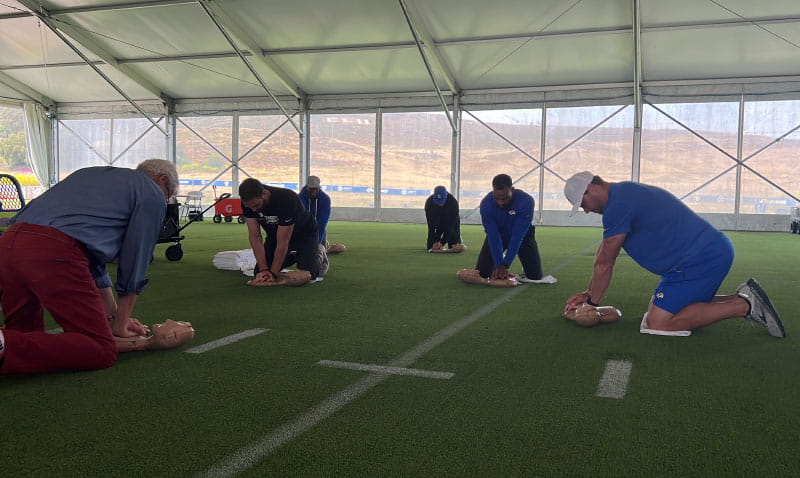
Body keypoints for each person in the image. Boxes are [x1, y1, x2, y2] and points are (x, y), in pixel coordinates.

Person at [0, 159, 179, 374]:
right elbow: (136, 258)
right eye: (167, 196)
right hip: (53, 250)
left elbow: (93, 262)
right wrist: (126, 329)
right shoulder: (151, 191)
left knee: (24, 336)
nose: (164, 202)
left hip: (8, 244)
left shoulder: (90, 174)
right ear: (163, 180)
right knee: (100, 349)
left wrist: (113, 315)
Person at [562, 171, 785, 337]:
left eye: (583, 203)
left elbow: (605, 263)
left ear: (592, 187)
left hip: (700, 259)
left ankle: (745, 306)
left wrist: (592, 302)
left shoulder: (618, 204)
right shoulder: (623, 194)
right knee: (661, 310)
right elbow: (603, 251)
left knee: (659, 323)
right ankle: (744, 295)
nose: (587, 210)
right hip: (696, 259)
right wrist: (588, 293)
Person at [239, 178, 324, 284]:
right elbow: (255, 236)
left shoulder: (286, 199)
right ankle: (294, 256)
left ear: (264, 194)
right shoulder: (248, 204)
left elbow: (283, 242)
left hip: (304, 234)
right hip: (275, 235)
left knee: (308, 275)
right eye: (249, 207)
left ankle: (319, 255)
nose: (253, 210)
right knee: (258, 272)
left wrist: (273, 274)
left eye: (256, 206)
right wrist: (264, 270)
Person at [476, 174, 555, 283]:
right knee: (483, 273)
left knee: (534, 276)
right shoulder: (486, 204)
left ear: (512, 190)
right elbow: (493, 237)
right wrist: (499, 263)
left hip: (523, 236)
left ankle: (524, 264)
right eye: (497, 198)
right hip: (499, 235)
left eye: (504, 198)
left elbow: (517, 237)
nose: (501, 202)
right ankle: (497, 260)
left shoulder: (526, 201)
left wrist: (505, 264)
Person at [424, 185, 462, 251]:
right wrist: (435, 242)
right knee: (430, 247)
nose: (439, 204)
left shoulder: (453, 203)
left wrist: (442, 242)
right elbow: (431, 226)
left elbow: (451, 225)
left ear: (446, 196)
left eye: (441, 202)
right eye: (437, 202)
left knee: (454, 246)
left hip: (450, 221)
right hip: (437, 220)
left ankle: (457, 239)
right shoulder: (429, 203)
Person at [298, 175, 331, 246]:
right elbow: (300, 219)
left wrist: (318, 242)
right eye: (311, 189)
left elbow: (322, 222)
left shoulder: (325, 199)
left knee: (319, 246)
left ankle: (323, 244)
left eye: (316, 189)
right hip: (304, 227)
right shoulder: (300, 198)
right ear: (307, 187)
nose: (313, 191)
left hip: (317, 225)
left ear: (319, 188)